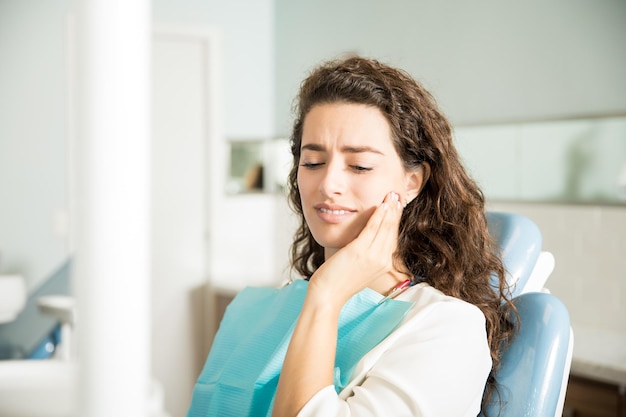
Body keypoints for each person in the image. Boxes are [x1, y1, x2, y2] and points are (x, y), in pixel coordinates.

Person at [187, 56, 515, 417]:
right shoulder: (251, 310)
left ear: (412, 182)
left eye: (359, 166)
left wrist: (327, 295)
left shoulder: (445, 328)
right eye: (312, 162)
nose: (328, 184)